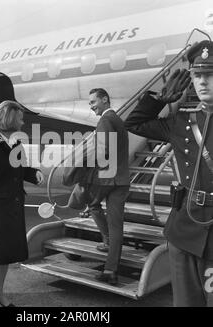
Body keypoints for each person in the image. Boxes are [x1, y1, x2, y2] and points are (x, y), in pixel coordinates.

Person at [124, 40, 213, 306]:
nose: (203, 82)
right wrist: (159, 100)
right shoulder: (182, 122)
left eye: (209, 75)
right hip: (184, 228)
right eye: (197, 76)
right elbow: (134, 123)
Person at [0, 100, 44, 307]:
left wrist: (34, 173)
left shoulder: (15, 143)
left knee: (4, 255)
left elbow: (19, 169)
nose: (23, 122)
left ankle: (0, 294)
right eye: (20, 118)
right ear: (10, 118)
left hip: (13, 207)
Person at [84, 88, 130, 285]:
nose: (92, 106)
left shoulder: (104, 120)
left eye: (94, 102)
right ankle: (111, 270)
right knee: (116, 224)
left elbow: (104, 151)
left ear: (105, 99)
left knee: (91, 204)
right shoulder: (118, 120)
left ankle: (106, 240)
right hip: (122, 180)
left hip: (107, 178)